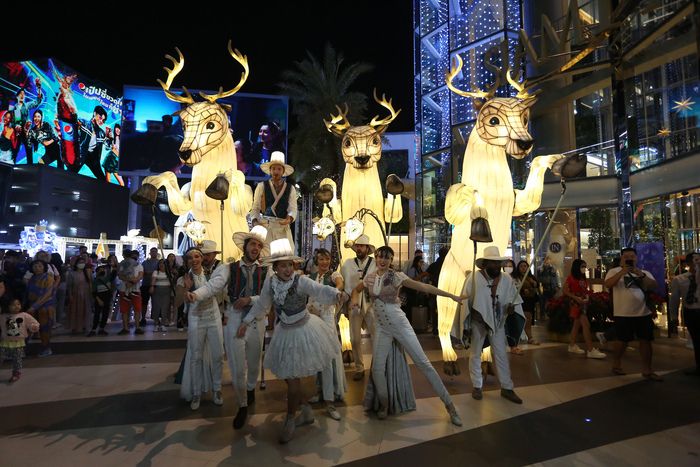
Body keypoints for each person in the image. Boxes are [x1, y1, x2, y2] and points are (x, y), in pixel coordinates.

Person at [242, 238, 347, 443]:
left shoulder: (301, 280)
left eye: (290, 264)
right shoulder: (270, 283)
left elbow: (319, 290)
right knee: (290, 378)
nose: (288, 269)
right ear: (275, 267)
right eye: (283, 265)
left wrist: (337, 294)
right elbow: (262, 304)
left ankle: (290, 419)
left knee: (293, 380)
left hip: (305, 330)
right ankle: (306, 409)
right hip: (285, 332)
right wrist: (245, 321)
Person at [351, 245, 464, 425]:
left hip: (399, 323)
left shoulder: (396, 276)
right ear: (376, 258)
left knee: (423, 363)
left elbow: (422, 286)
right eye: (380, 257)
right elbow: (356, 291)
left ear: (391, 260)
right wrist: (355, 304)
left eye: (386, 258)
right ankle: (384, 404)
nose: (382, 261)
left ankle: (450, 406)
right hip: (381, 327)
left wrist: (450, 295)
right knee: (377, 368)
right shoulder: (370, 278)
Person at [187, 226, 269, 429]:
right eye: (253, 244)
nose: (256, 248)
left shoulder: (266, 270)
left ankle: (251, 388)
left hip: (256, 320)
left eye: (259, 245)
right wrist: (196, 294)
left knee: (254, 361)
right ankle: (242, 405)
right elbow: (213, 285)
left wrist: (250, 298)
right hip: (234, 319)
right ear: (245, 246)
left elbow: (268, 298)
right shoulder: (228, 268)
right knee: (236, 365)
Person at [464, 246, 525, 404]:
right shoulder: (474, 278)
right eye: (493, 263)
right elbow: (465, 300)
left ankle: (507, 388)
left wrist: (512, 307)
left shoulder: (506, 279)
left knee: (501, 354)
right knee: (475, 353)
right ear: (485, 264)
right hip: (479, 323)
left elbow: (513, 299)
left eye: (498, 263)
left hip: (498, 323)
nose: (497, 267)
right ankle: (477, 386)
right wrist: (471, 314)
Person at [604, 247, 661, 380]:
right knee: (622, 340)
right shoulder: (614, 271)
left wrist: (639, 274)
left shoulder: (643, 272)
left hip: (643, 313)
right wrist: (622, 272)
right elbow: (608, 284)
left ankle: (647, 370)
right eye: (626, 256)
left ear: (636, 258)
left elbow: (653, 286)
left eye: (632, 256)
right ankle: (616, 364)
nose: (629, 258)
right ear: (621, 258)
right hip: (623, 313)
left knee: (646, 341)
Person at [180, 247, 225, 411]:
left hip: (213, 317)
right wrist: (186, 289)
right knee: (196, 356)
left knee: (218, 354)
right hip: (196, 318)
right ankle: (197, 392)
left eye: (197, 256)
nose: (195, 260)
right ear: (187, 261)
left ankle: (217, 389)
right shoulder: (185, 278)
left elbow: (219, 292)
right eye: (190, 258)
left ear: (202, 258)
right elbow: (182, 301)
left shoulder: (212, 275)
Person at [307, 248, 347, 421]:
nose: (324, 262)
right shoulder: (311, 277)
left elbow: (339, 283)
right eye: (321, 259)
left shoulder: (333, 274)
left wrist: (336, 291)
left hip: (328, 319)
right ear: (316, 260)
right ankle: (319, 390)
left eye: (327, 259)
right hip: (313, 319)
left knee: (329, 358)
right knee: (316, 356)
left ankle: (330, 401)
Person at [340, 234, 377, 381]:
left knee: (376, 337)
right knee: (354, 339)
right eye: (357, 246)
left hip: (371, 304)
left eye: (362, 246)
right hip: (353, 304)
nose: (359, 248)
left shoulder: (375, 263)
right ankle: (359, 367)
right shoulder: (347, 264)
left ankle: (377, 367)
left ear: (367, 248)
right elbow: (343, 284)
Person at [250, 151, 297, 249]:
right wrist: (255, 221)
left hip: (282, 228)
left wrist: (289, 219)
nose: (276, 172)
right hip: (266, 227)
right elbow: (255, 207)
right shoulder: (261, 186)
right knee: (265, 256)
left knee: (283, 256)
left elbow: (293, 208)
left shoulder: (290, 188)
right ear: (270, 170)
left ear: (283, 172)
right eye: (274, 169)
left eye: (279, 169)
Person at [563, 259, 605, 359]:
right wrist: (575, 297)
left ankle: (572, 345)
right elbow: (565, 291)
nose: (584, 268)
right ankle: (590, 349)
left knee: (577, 324)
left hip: (582, 303)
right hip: (576, 304)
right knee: (586, 324)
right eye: (582, 266)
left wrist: (586, 297)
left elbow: (584, 290)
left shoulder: (583, 278)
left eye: (585, 266)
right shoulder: (571, 278)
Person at [669, 251, 700, 375]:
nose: (696, 263)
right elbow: (674, 299)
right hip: (690, 312)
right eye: (694, 260)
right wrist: (673, 316)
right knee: (696, 340)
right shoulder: (679, 279)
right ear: (688, 263)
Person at [1, 298, 40, 383]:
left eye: (18, 304)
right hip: (5, 342)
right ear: (8, 306)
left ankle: (16, 374)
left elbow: (33, 323)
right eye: (13, 305)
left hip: (18, 343)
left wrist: (34, 327)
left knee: (17, 360)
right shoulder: (3, 316)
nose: (16, 306)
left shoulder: (24, 315)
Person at [25, 259, 55, 356]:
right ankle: (21, 349)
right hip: (32, 307)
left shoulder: (49, 278)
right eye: (35, 266)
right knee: (28, 327)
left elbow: (48, 294)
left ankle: (46, 348)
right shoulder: (32, 278)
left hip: (45, 307)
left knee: (44, 328)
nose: (37, 268)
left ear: (44, 267)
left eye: (40, 266)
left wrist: (35, 306)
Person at [512, 260, 541, 346]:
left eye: (525, 266)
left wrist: (534, 284)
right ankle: (525, 337)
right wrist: (522, 290)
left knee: (528, 319)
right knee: (524, 318)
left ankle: (529, 337)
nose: (523, 268)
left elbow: (537, 286)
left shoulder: (531, 277)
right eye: (521, 266)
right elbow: (514, 288)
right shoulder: (516, 278)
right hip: (520, 301)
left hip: (530, 301)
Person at [117, 250, 144, 335]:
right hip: (124, 289)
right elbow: (120, 275)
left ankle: (137, 327)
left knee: (137, 309)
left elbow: (140, 276)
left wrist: (131, 282)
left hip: (135, 289)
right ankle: (125, 327)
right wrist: (130, 280)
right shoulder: (122, 264)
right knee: (125, 309)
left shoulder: (138, 265)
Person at [77, 105, 109, 179]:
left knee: (102, 179)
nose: (101, 121)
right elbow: (74, 125)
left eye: (103, 120)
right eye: (100, 118)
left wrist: (109, 138)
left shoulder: (102, 133)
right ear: (95, 114)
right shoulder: (83, 123)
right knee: (70, 173)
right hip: (81, 154)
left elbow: (108, 147)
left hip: (93, 158)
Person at [426, 246, 449, 335]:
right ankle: (445, 329)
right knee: (446, 310)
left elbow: (426, 274)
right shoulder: (449, 265)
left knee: (434, 311)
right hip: (446, 291)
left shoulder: (434, 265)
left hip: (434, 291)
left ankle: (435, 329)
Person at [66, 256, 92, 335]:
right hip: (76, 294)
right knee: (75, 311)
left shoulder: (86, 272)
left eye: (83, 263)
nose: (82, 264)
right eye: (80, 263)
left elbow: (90, 283)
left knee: (85, 310)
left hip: (85, 294)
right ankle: (75, 327)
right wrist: (70, 295)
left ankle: (84, 326)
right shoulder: (71, 273)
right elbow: (69, 286)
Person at [88, 265, 113, 336]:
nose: (103, 271)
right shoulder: (96, 281)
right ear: (97, 272)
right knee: (97, 314)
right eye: (100, 270)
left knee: (105, 314)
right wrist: (98, 300)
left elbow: (114, 273)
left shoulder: (108, 279)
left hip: (107, 299)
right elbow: (94, 292)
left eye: (103, 269)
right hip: (99, 299)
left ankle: (102, 328)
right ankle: (94, 329)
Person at [150, 260, 172, 332]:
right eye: (160, 263)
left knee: (165, 307)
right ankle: (156, 324)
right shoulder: (156, 272)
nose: (161, 265)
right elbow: (153, 280)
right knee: (156, 307)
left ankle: (163, 324)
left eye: (163, 263)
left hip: (167, 291)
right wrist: (152, 286)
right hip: (157, 290)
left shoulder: (169, 272)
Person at [140, 247, 160, 327]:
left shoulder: (159, 263)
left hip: (156, 285)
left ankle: (156, 318)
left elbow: (159, 273)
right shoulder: (145, 262)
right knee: (144, 302)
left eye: (155, 251)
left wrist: (150, 273)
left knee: (156, 303)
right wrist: (152, 273)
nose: (153, 253)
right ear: (150, 253)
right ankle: (143, 318)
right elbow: (142, 272)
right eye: (152, 251)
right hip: (145, 284)